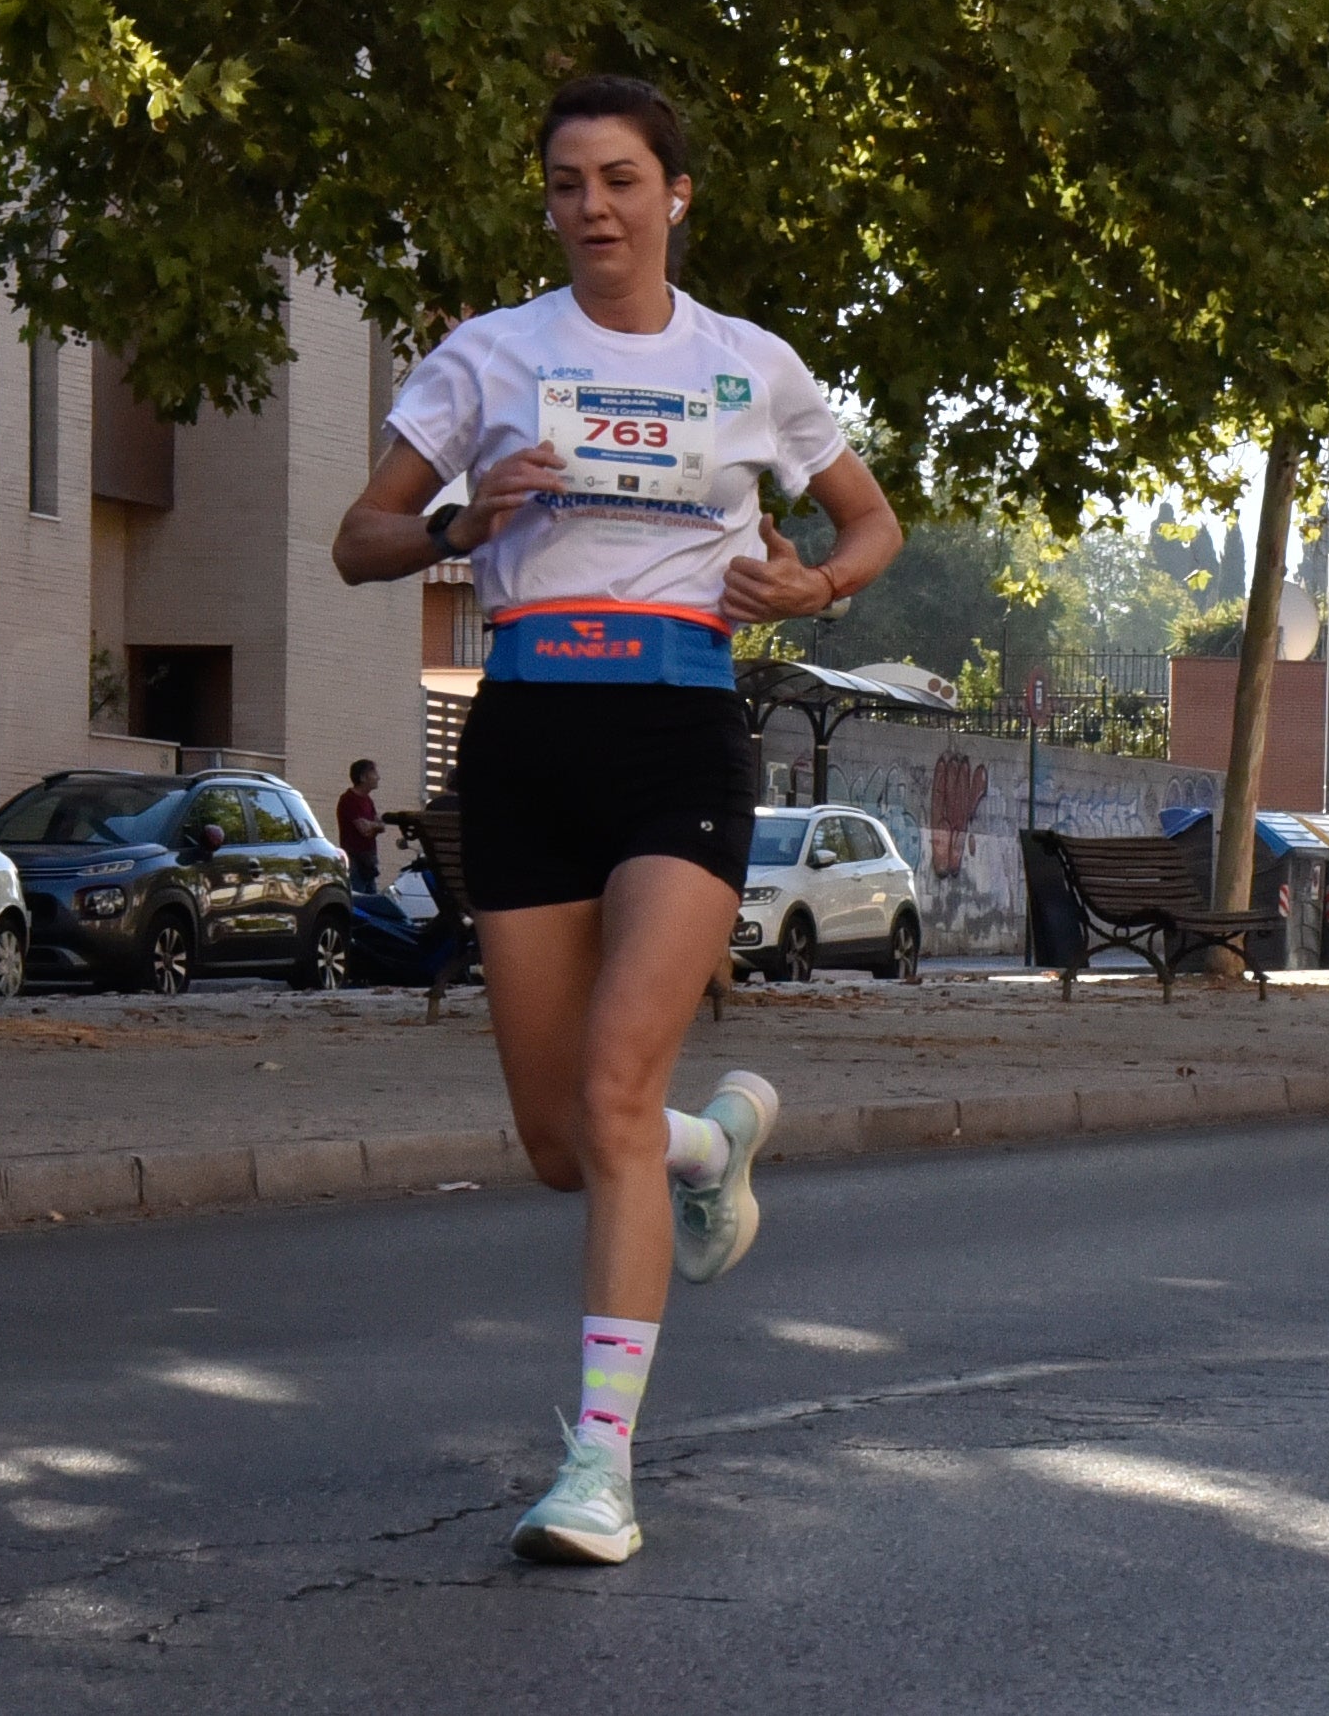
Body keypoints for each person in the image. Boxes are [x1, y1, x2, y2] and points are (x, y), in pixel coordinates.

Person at [330, 75, 903, 1562]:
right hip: (522, 735)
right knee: (555, 1140)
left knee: (607, 1089)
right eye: (570, 182)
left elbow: (872, 518)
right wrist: (467, 517)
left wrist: (812, 585)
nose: (594, 205)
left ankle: (600, 1467)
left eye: (623, 179)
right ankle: (706, 1152)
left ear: (676, 195)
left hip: (678, 733)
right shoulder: (490, 355)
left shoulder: (748, 364)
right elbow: (358, 538)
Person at [336, 760, 385, 895]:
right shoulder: (348, 799)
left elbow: (381, 826)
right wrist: (375, 826)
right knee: (358, 900)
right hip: (355, 861)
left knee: (371, 899)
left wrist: (372, 826)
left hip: (368, 861)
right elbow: (364, 830)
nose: (378, 777)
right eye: (374, 772)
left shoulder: (368, 800)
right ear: (363, 777)